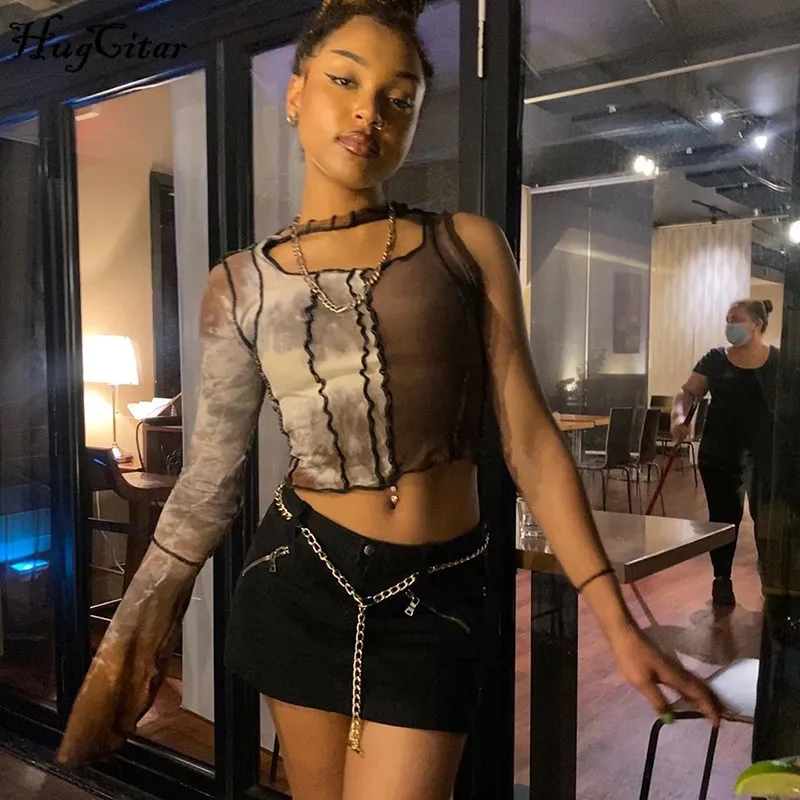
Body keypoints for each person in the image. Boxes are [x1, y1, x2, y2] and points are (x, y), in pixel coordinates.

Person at [56, 1, 720, 797]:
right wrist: (127, 645)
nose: (369, 111)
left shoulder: (466, 245)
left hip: (435, 598)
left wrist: (616, 617)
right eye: (345, 81)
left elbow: (531, 442)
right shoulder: (239, 284)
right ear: (296, 93)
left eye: (398, 98)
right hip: (299, 582)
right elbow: (208, 483)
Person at [672, 298, 779, 607]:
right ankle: (722, 578)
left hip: (765, 455)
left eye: (736, 319)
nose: (729, 326)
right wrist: (679, 419)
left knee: (767, 519)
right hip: (720, 453)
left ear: (756, 324)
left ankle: (770, 578)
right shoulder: (716, 359)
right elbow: (688, 392)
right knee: (722, 518)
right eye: (728, 320)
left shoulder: (779, 362)